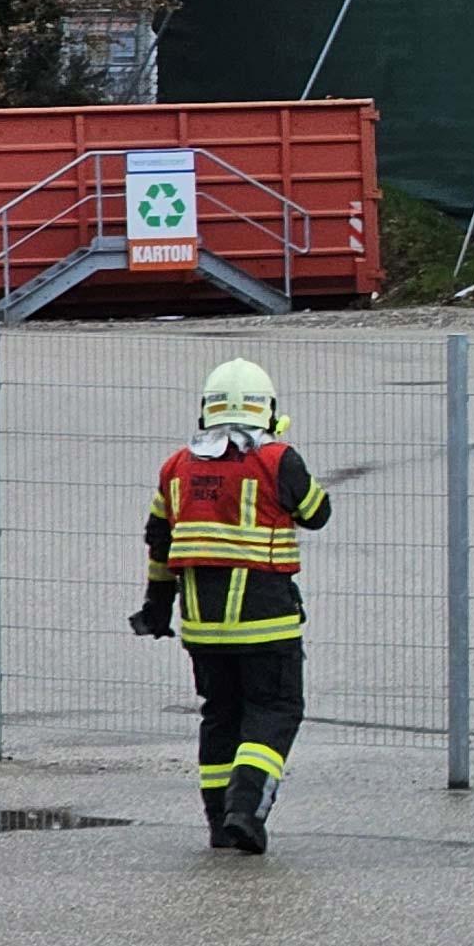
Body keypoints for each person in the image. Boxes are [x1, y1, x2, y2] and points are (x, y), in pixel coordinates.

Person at [130, 357, 334, 854]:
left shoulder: (177, 467)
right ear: (269, 410)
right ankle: (247, 808)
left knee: (220, 716)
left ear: (207, 411)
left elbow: (160, 542)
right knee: (274, 710)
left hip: (201, 628)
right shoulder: (276, 458)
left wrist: (157, 607)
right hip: (267, 623)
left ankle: (220, 823)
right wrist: (279, 444)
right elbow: (316, 513)